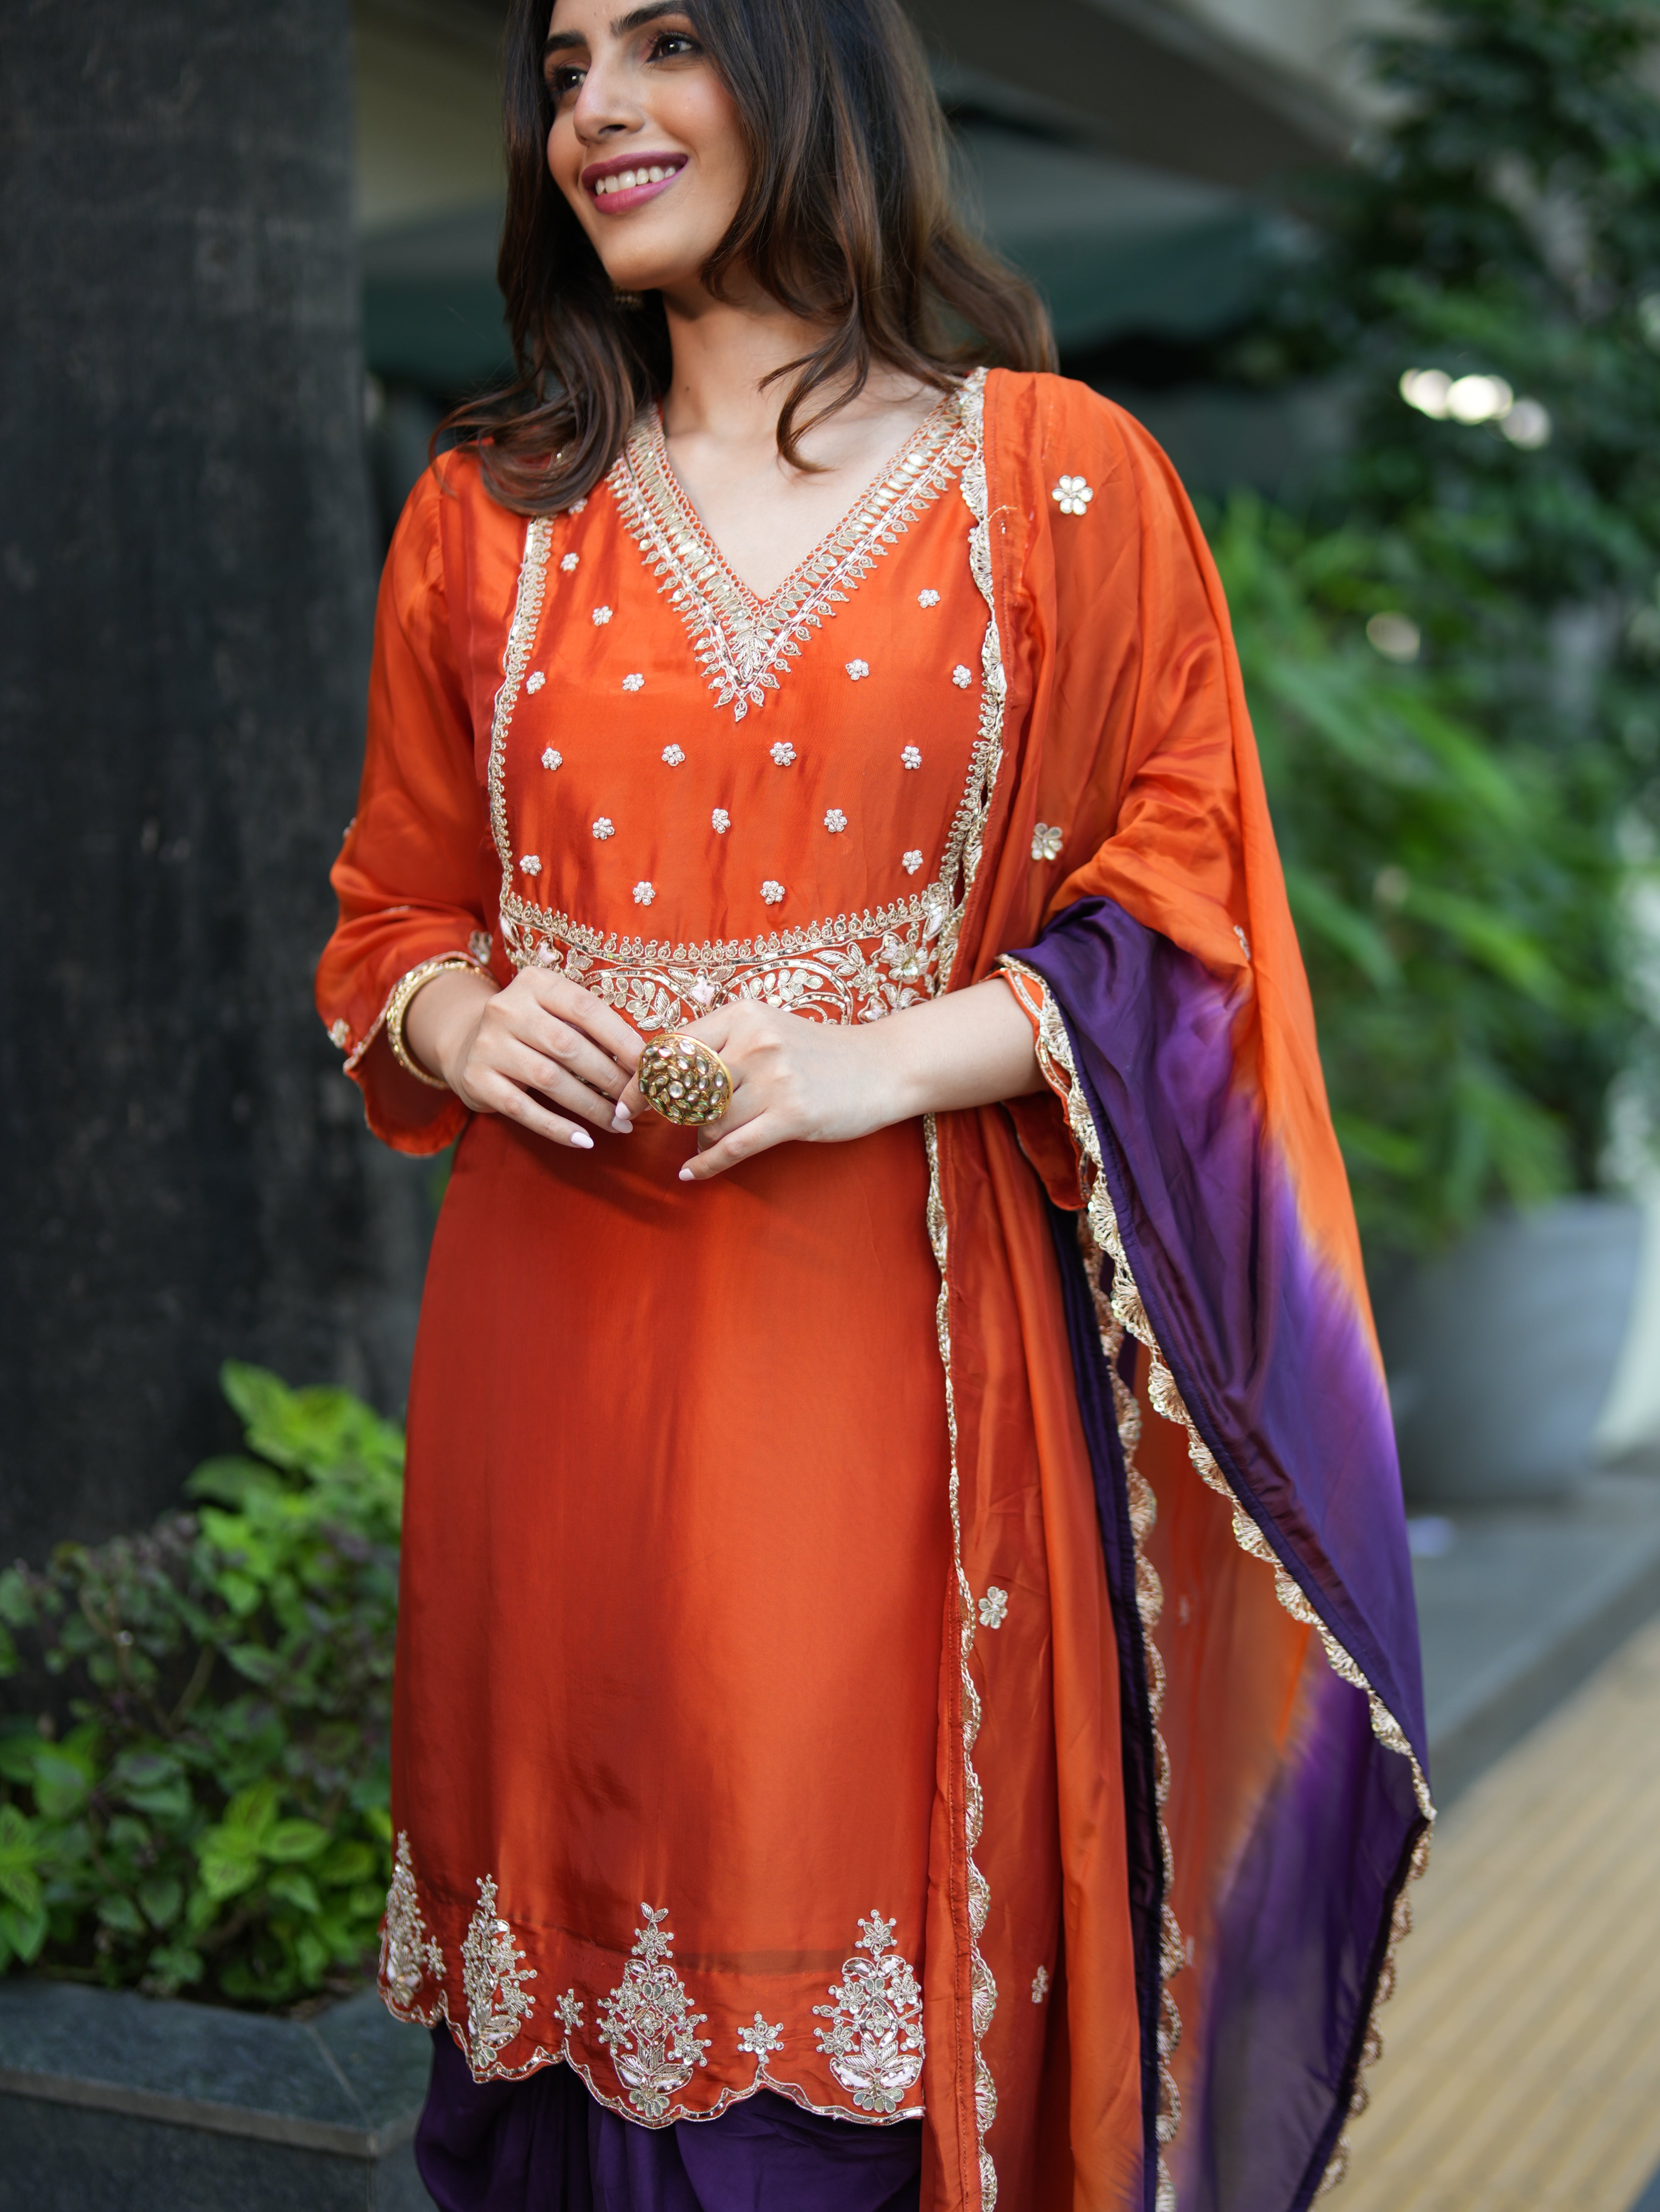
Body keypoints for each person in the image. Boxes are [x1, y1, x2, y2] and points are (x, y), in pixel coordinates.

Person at [316, 1, 1432, 2205]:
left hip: (889, 1366)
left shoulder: (1062, 483)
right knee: (566, 2022)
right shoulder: (484, 514)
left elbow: (1187, 901)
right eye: (564, 68)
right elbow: (391, 908)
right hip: (552, 1351)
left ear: (809, 66)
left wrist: (880, 1057)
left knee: (829, 2022)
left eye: (664, 43)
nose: (598, 110)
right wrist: (452, 1018)